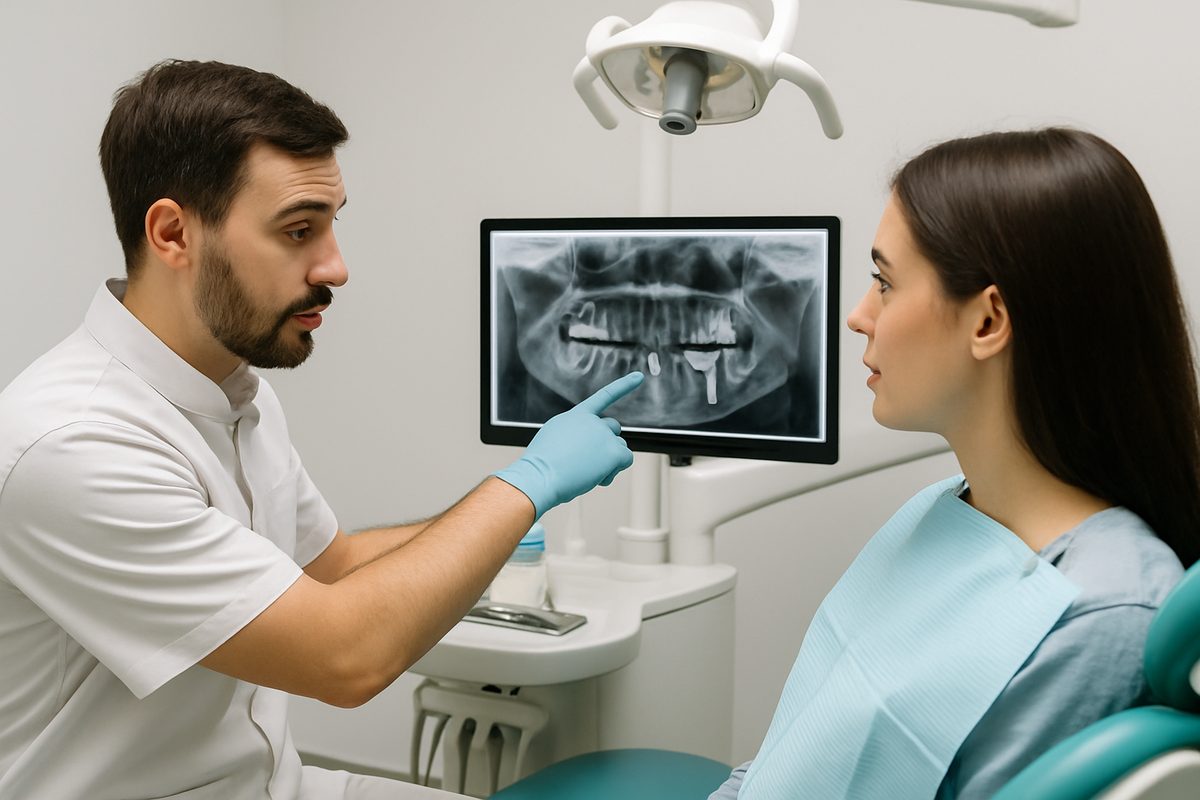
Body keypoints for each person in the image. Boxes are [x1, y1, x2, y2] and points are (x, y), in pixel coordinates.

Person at [0, 59, 643, 799]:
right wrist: (523, 488)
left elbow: (328, 566)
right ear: (174, 234)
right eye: (299, 230)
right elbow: (345, 657)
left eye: (332, 225)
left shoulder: (234, 389)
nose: (335, 267)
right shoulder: (74, 442)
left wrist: (515, 509)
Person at [710, 128, 1198, 799]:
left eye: (884, 282)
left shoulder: (1102, 612)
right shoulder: (942, 508)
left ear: (988, 321)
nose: (858, 316)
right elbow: (792, 753)